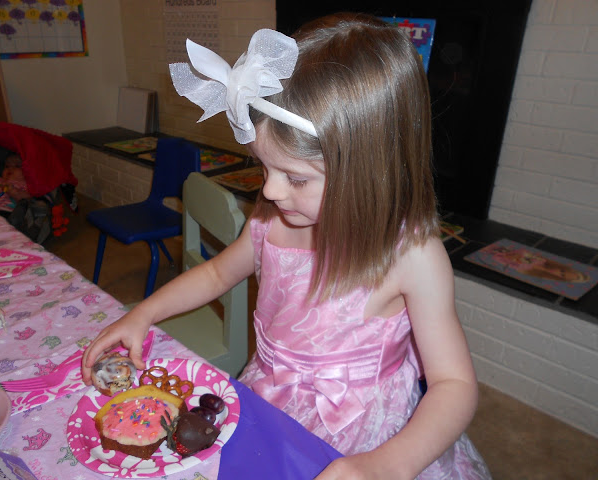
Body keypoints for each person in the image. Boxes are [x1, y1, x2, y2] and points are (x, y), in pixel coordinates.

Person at [82, 13, 491, 478]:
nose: (271, 190)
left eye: (295, 178)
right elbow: (217, 273)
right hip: (271, 400)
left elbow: (454, 383)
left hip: (367, 435)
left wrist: (384, 467)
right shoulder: (272, 218)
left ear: (369, 173)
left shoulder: (412, 256)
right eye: (264, 167)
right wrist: (144, 313)